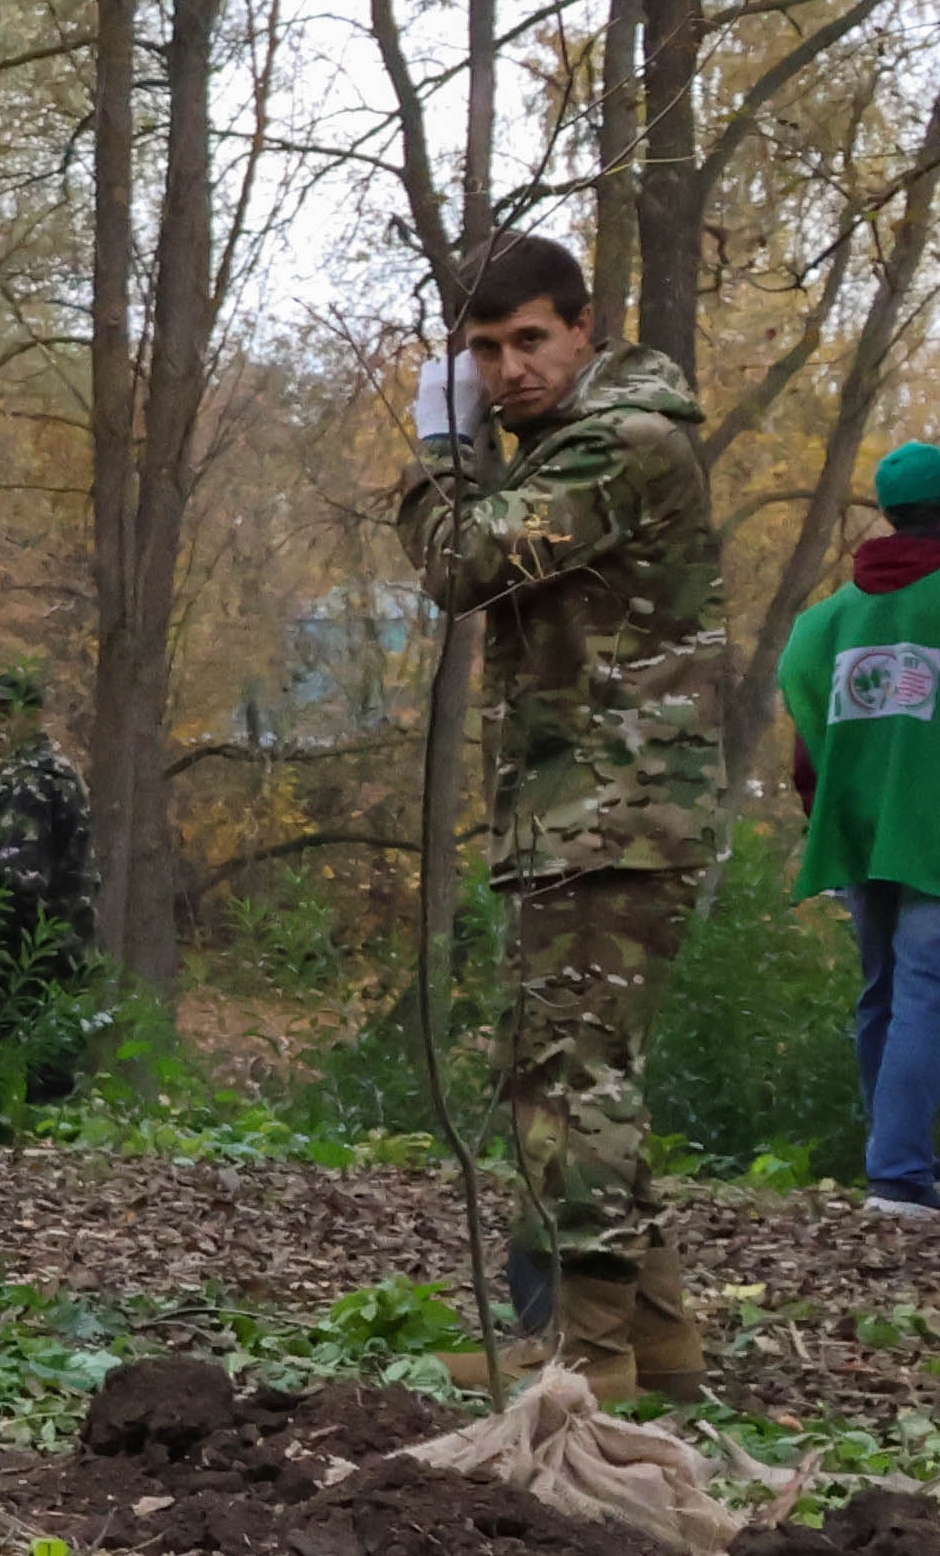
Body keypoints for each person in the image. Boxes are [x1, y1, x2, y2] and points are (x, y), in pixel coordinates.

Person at [399, 233, 727, 1399]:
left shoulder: (621, 443)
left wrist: (441, 449)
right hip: (587, 808)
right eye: (484, 350)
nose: (508, 370)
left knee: (567, 1085)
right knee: (582, 1075)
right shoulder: (578, 443)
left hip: (614, 815)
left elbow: (459, 563)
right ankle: (657, 1339)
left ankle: (589, 1362)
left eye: (530, 339)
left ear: (585, 328)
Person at [780, 443, 940, 1217]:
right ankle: (902, 1175)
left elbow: (808, 745)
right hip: (931, 836)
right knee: (925, 992)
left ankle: (892, 1162)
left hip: (854, 833)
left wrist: (830, 813)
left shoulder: (829, 621)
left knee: (881, 995)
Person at [0, 663, 97, 1094]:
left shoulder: (25, 781)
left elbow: (22, 878)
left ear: (30, 719)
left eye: (0, 719)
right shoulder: (63, 771)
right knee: (53, 1064)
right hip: (70, 938)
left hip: (29, 943)